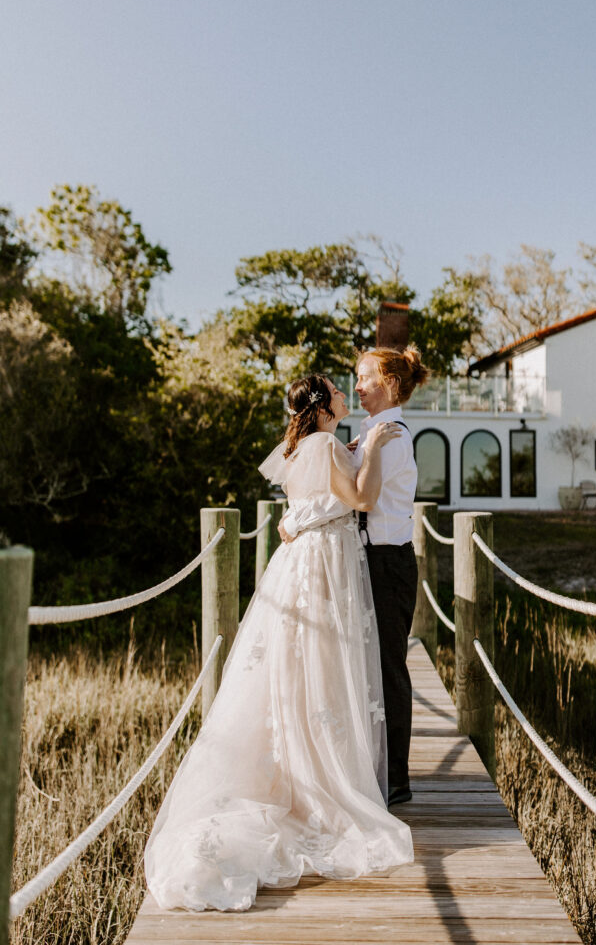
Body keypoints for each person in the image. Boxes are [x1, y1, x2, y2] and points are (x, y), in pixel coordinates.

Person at [144, 374, 414, 913]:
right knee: (326, 666)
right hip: (326, 565)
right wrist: (377, 448)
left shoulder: (297, 449)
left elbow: (308, 506)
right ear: (321, 406)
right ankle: (321, 779)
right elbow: (362, 497)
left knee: (299, 669)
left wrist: (304, 511)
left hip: (299, 563)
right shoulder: (328, 444)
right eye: (338, 391)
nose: (345, 395)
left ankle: (297, 764)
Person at [280, 347, 429, 806]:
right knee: (361, 671)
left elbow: (356, 500)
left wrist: (296, 520)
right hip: (366, 562)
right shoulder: (370, 436)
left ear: (388, 382)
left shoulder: (393, 437)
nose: (358, 386)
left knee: (387, 671)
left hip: (387, 563)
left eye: (364, 378)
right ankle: (367, 767)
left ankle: (396, 779)